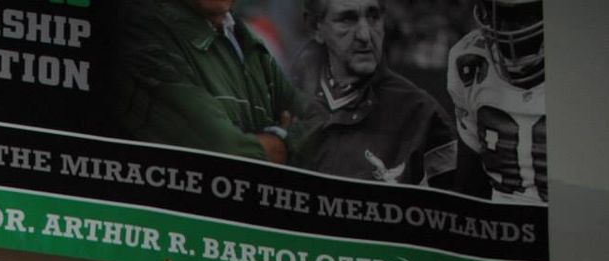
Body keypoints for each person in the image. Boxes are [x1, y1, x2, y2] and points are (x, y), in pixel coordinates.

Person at [113, 0, 302, 163]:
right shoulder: (143, 29)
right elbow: (224, 151)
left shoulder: (242, 38)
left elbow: (322, 132)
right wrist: (284, 139)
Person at [289, 0, 454, 184]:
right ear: (315, 28)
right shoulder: (282, 104)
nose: (365, 35)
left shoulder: (422, 115)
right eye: (347, 19)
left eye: (374, 17)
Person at [447, 0, 546, 202]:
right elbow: (470, 182)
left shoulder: (591, 63)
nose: (509, 30)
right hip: (500, 224)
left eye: (526, 16)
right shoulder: (468, 59)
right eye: (501, 14)